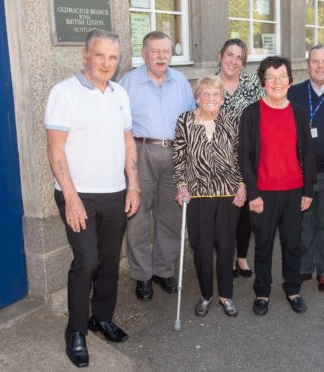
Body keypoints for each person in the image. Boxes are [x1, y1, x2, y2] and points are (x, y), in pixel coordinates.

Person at [45, 29, 140, 368]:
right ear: (85, 55)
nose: (106, 63)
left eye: (113, 57)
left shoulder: (118, 93)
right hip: (79, 194)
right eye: (99, 55)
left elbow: (128, 141)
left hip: (115, 192)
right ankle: (75, 331)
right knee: (87, 262)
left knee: (109, 261)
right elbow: (55, 148)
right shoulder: (64, 93)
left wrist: (133, 186)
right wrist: (70, 198)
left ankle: (101, 318)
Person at [119, 31, 195, 301]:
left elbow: (190, 122)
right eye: (155, 51)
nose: (161, 56)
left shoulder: (181, 82)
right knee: (138, 218)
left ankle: (163, 270)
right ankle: (142, 275)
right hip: (141, 152)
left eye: (166, 51)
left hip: (175, 154)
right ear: (144, 53)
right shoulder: (128, 83)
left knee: (170, 217)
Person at [239, 56, 316, 316]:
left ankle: (293, 289)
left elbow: (308, 155)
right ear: (263, 82)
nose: (277, 82)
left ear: (290, 80)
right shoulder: (251, 114)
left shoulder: (299, 113)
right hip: (263, 193)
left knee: (293, 243)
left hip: (294, 191)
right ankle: (262, 292)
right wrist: (253, 193)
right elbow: (245, 158)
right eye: (271, 77)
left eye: (282, 76)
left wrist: (308, 190)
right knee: (263, 245)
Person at [172, 75, 246, 317]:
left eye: (216, 94)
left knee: (226, 245)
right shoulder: (185, 120)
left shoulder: (232, 120)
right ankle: (206, 294)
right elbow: (179, 158)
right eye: (206, 94)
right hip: (198, 194)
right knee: (201, 246)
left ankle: (226, 295)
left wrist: (242, 185)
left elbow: (240, 156)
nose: (211, 98)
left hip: (227, 192)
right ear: (197, 97)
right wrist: (182, 185)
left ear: (222, 99)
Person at [287, 45, 324, 292]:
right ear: (307, 64)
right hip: (300, 173)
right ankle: (303, 267)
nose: (320, 66)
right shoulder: (294, 93)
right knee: (303, 222)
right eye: (315, 61)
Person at [217, 38, 263, 278]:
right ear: (220, 56)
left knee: (245, 211)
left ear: (243, 64)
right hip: (219, 159)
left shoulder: (252, 83)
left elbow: (263, 113)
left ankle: (242, 257)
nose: (233, 61)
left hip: (247, 154)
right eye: (229, 55)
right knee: (225, 212)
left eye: (239, 58)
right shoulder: (210, 84)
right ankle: (225, 257)